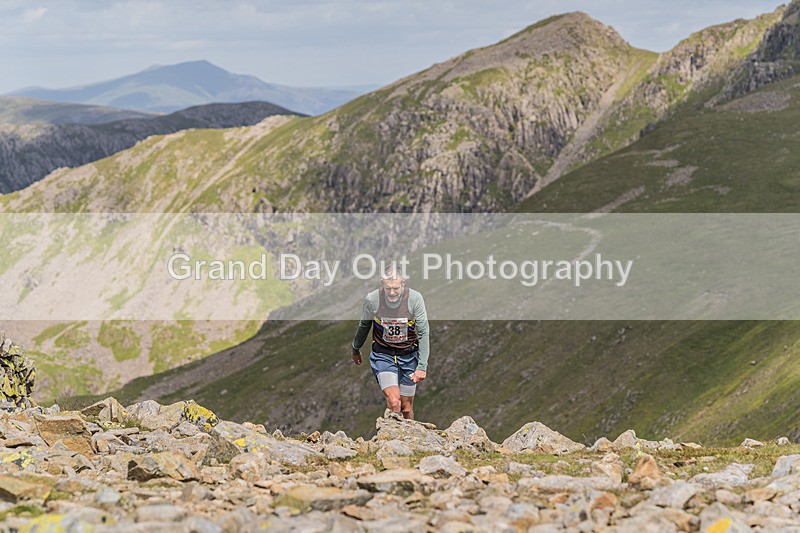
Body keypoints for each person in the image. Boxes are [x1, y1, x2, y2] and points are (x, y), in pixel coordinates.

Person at [351, 265, 429, 420]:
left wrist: (422, 366)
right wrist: (355, 348)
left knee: (406, 409)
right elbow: (364, 325)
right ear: (382, 283)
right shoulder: (372, 300)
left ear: (403, 283)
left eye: (396, 288)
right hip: (383, 355)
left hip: (408, 356)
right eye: (388, 288)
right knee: (394, 402)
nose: (392, 292)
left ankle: (409, 441)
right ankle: (392, 439)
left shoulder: (414, 299)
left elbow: (423, 332)